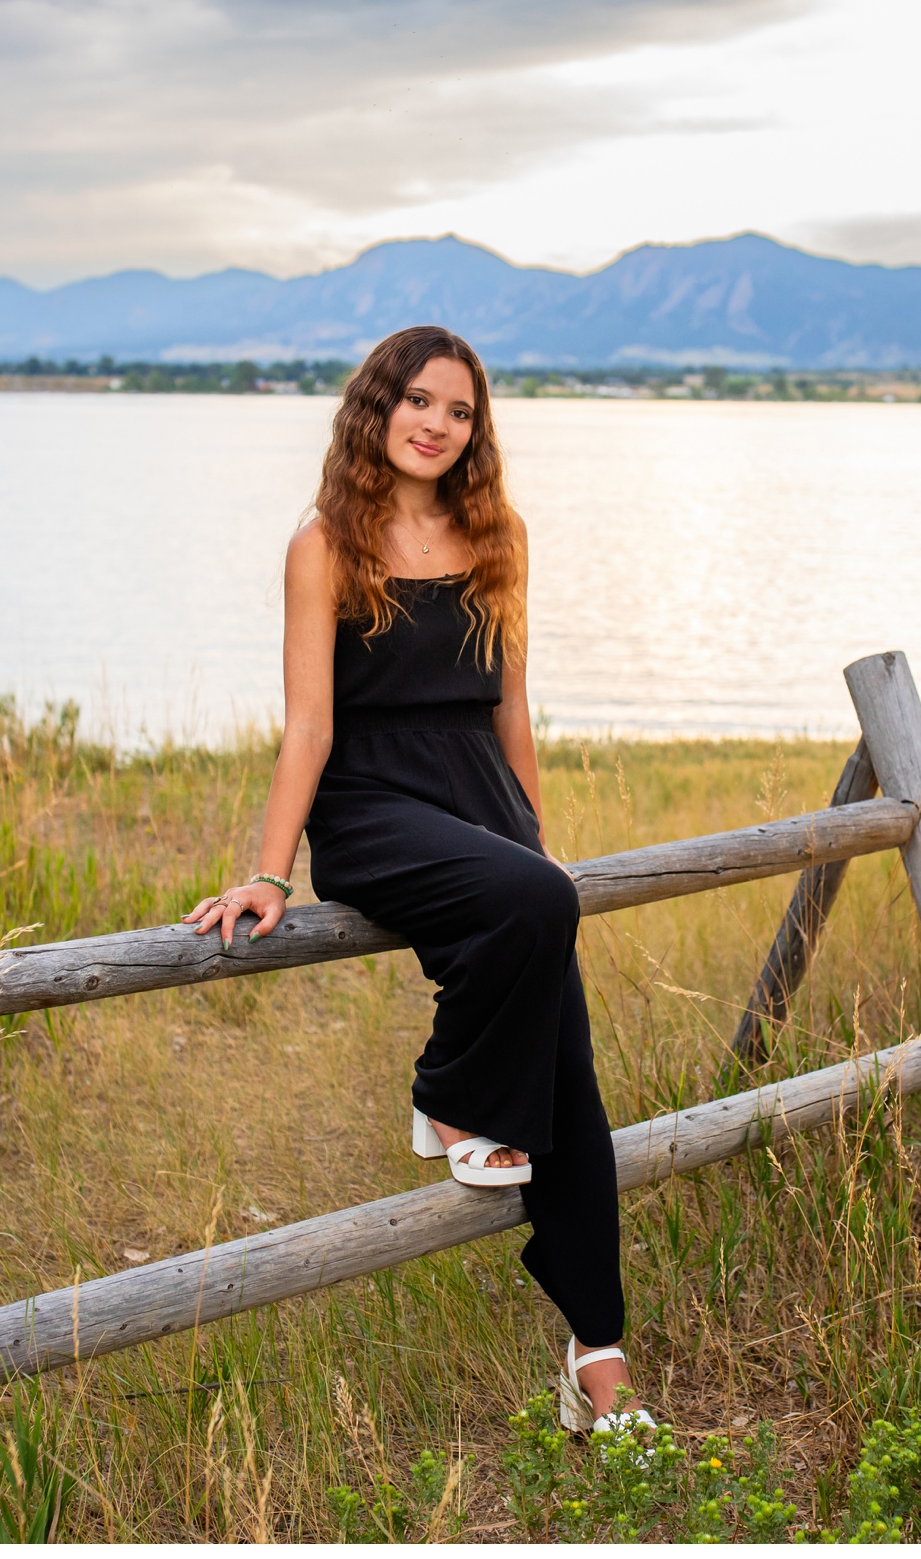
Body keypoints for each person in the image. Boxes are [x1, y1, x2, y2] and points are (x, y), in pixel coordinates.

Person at [183, 325, 648, 1435]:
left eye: (462, 410)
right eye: (421, 402)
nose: (440, 425)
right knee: (540, 922)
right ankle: (446, 1092)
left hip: (481, 803)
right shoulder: (324, 543)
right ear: (377, 408)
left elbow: (511, 706)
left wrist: (532, 839)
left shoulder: (499, 533)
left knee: (569, 1073)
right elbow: (307, 725)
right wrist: (268, 867)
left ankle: (599, 1359)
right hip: (371, 805)